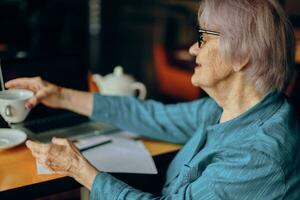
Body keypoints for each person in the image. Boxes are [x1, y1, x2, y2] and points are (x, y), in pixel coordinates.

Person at [5, 0, 300, 199]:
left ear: (243, 56)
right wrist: (61, 95)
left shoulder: (258, 157)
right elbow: (151, 115)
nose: (193, 49)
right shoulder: (226, 109)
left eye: (203, 38)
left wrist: (80, 169)